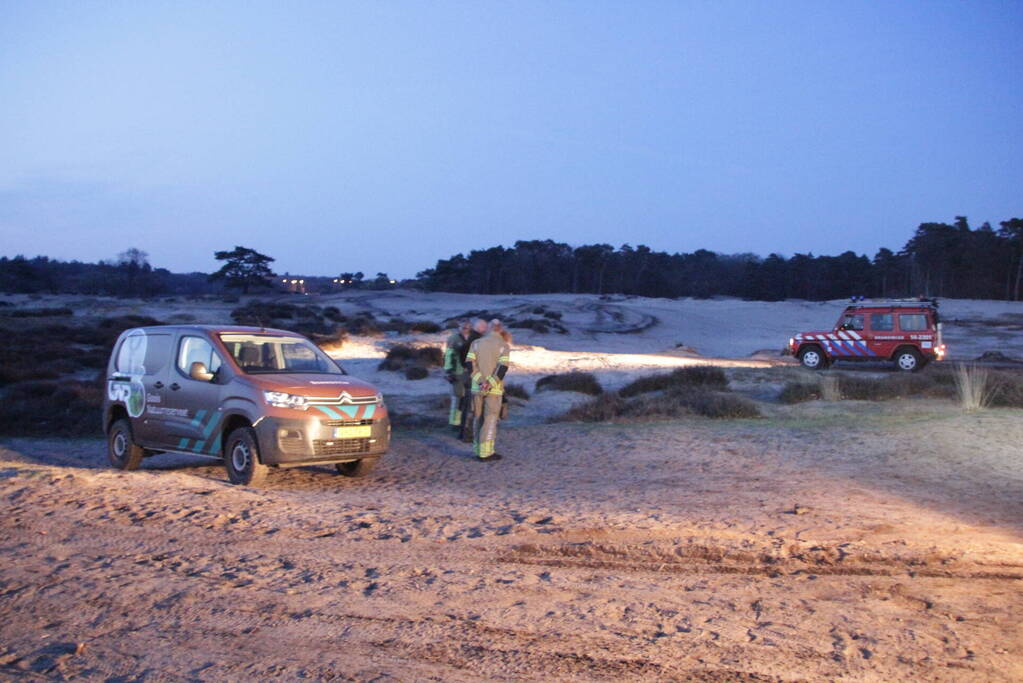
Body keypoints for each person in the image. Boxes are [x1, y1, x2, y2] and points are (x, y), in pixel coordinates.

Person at [465, 319, 511, 461]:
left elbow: (469, 364)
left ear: (489, 329)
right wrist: (490, 383)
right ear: (500, 329)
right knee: (490, 420)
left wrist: (480, 381)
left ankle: (478, 450)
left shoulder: (476, 343)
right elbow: (502, 367)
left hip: (476, 388)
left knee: (478, 418)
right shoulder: (503, 346)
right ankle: (486, 453)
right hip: (494, 389)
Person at [457, 318, 489, 441]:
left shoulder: (469, 340)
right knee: (472, 406)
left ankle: (462, 431)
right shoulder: (478, 341)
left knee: (466, 404)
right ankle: (467, 434)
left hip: (467, 374)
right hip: (474, 375)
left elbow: (461, 356)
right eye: (485, 328)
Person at [443, 320, 471, 431]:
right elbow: (448, 355)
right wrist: (449, 371)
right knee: (457, 397)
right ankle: (454, 423)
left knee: (469, 398)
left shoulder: (473, 339)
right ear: (459, 327)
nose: (465, 329)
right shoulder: (453, 339)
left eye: (467, 327)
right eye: (463, 327)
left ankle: (466, 422)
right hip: (457, 372)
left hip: (470, 372)